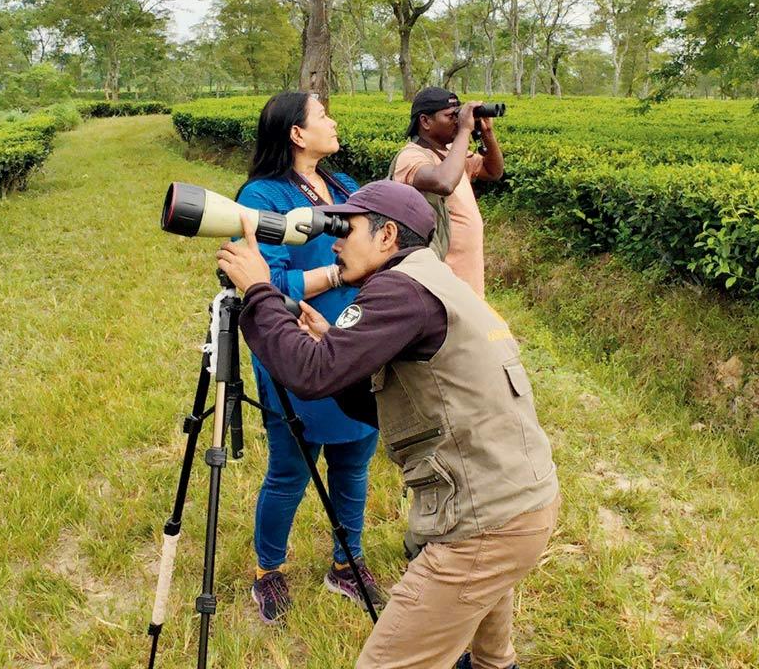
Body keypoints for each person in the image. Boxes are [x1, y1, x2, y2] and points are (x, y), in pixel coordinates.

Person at [218, 180, 560, 669]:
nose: (334, 242)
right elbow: (381, 403)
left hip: (484, 525)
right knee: (490, 657)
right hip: (521, 502)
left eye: (345, 228)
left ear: (387, 238)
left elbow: (308, 375)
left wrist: (258, 290)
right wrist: (336, 349)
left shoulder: (400, 290)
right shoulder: (431, 279)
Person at [234, 92, 387, 625]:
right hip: (298, 349)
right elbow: (264, 282)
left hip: (356, 342)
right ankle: (268, 571)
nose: (333, 121)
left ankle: (348, 563)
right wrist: (341, 276)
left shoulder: (343, 186)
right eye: (323, 115)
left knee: (354, 463)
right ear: (297, 134)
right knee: (290, 470)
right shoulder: (262, 196)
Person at [390, 87, 504, 297]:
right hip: (439, 278)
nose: (457, 121)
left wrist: (486, 133)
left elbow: (493, 171)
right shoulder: (412, 156)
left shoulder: (453, 153)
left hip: (466, 277)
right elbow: (444, 182)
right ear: (425, 121)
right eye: (451, 116)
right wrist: (464, 131)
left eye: (458, 115)